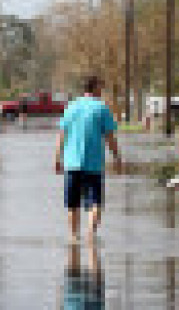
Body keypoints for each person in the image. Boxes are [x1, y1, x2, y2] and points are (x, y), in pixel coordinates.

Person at [54, 75, 122, 244]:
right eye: (100, 87)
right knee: (96, 203)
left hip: (72, 163)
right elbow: (110, 137)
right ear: (95, 88)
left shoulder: (71, 107)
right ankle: (91, 236)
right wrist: (117, 158)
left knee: (72, 204)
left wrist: (57, 158)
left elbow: (61, 135)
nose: (102, 91)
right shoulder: (101, 108)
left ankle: (74, 237)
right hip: (93, 164)